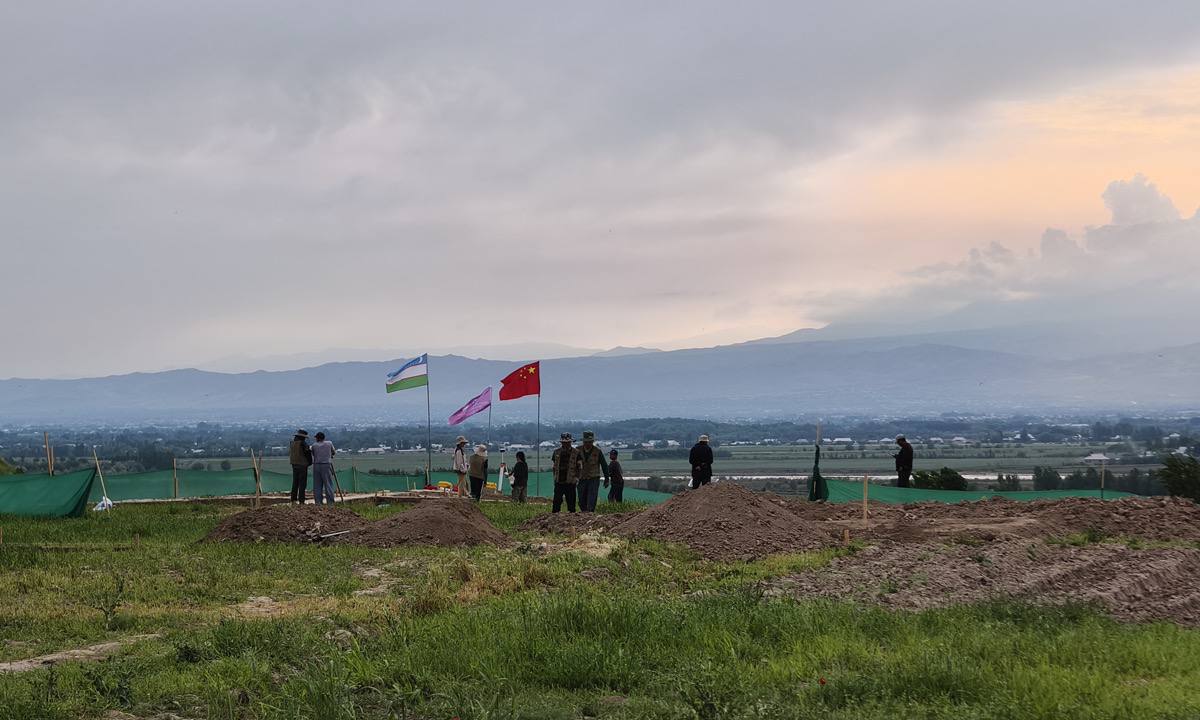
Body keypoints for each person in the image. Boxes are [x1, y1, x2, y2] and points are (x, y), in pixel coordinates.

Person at [576, 431, 609, 512]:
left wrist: (607, 479)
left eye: (590, 442)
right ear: (583, 441)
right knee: (581, 499)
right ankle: (584, 513)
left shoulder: (597, 451)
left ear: (592, 442)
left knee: (592, 498)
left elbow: (604, 465)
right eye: (586, 442)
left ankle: (590, 513)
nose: (588, 444)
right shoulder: (577, 450)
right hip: (581, 478)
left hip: (593, 478)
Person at [550, 432, 580, 513]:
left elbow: (579, 467)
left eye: (567, 442)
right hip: (559, 481)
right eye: (564, 442)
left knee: (571, 504)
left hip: (570, 481)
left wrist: (576, 478)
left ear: (570, 442)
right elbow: (554, 466)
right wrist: (555, 477)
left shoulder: (576, 453)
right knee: (556, 503)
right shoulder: (556, 452)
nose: (565, 444)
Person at [310, 431, 337, 504]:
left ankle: (318, 502)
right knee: (328, 483)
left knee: (317, 485)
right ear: (324, 438)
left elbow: (313, 454)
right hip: (326, 465)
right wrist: (330, 455)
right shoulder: (329, 443)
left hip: (316, 465)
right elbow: (334, 452)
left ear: (317, 438)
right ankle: (330, 502)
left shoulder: (314, 445)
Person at [287, 429, 312, 504]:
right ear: (303, 437)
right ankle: (301, 500)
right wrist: (310, 462)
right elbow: (308, 454)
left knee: (295, 483)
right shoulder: (303, 444)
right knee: (302, 484)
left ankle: (293, 499)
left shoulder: (292, 443)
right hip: (302, 465)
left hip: (294, 464)